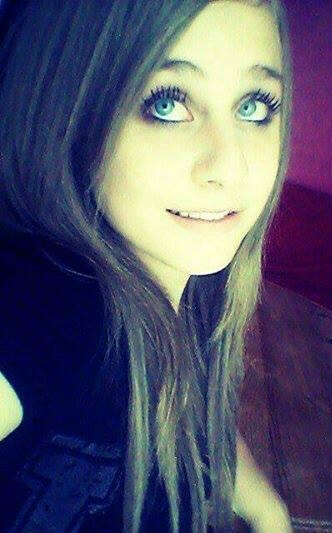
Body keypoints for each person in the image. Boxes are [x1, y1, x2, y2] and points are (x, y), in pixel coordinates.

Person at [0, 0, 293, 531]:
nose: (229, 166)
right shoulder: (45, 304)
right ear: (68, 114)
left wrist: (267, 510)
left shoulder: (189, 287)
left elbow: (189, 416)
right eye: (166, 103)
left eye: (254, 106)